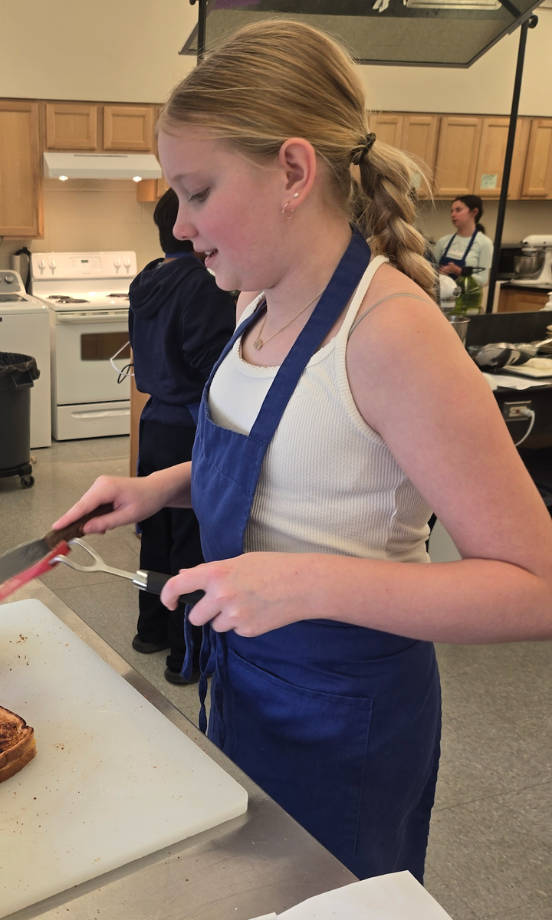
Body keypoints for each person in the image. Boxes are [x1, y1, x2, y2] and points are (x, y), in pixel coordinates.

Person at [52, 20, 552, 883]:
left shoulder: (390, 334)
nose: (177, 226)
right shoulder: (258, 302)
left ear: (292, 170)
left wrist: (305, 581)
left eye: (197, 192)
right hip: (246, 684)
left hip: (343, 716)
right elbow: (290, 467)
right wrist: (157, 488)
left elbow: (536, 587)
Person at [129, 188, 236, 684]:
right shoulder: (204, 285)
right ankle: (182, 656)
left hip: (153, 423)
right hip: (191, 428)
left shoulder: (147, 277)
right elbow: (208, 363)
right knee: (188, 548)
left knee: (155, 536)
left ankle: (149, 631)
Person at [433, 195, 494, 288]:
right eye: (452, 211)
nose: (453, 214)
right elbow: (430, 271)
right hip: (441, 298)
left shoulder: (485, 243)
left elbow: (483, 281)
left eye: (458, 210)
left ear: (474, 212)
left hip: (466, 300)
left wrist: (457, 270)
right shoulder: (443, 241)